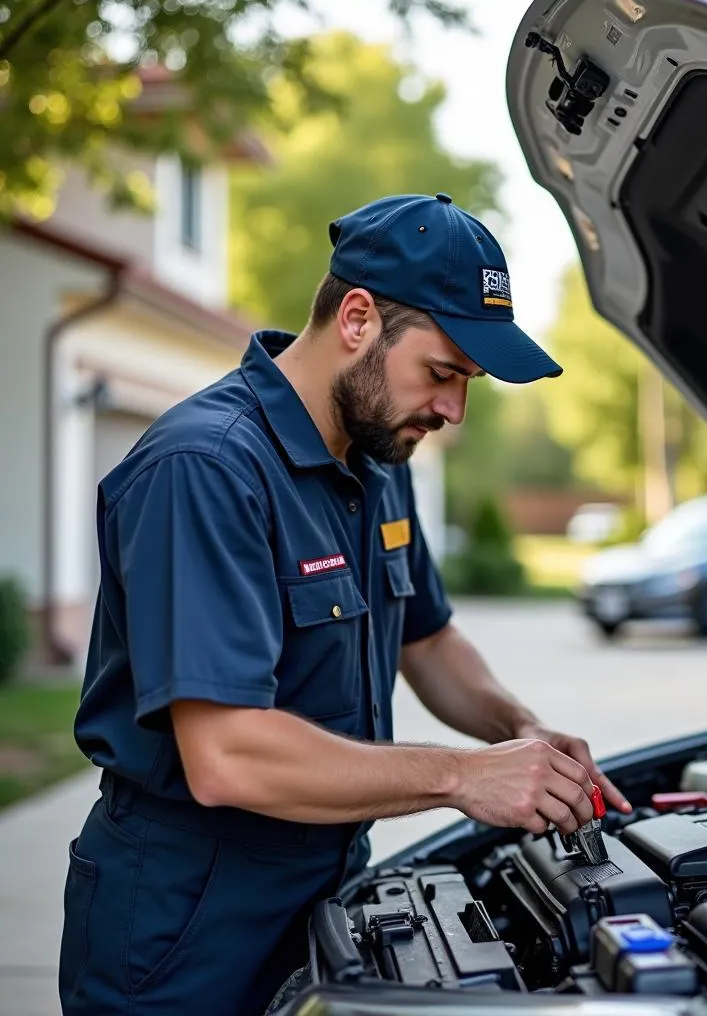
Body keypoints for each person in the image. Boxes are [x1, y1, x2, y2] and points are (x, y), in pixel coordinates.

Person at [58, 192, 632, 1016]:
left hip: (329, 896)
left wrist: (517, 730)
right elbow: (229, 755)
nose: (452, 410)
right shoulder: (207, 469)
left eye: (467, 384)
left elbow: (428, 640)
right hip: (184, 925)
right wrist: (461, 777)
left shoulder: (378, 464)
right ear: (358, 319)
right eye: (442, 373)